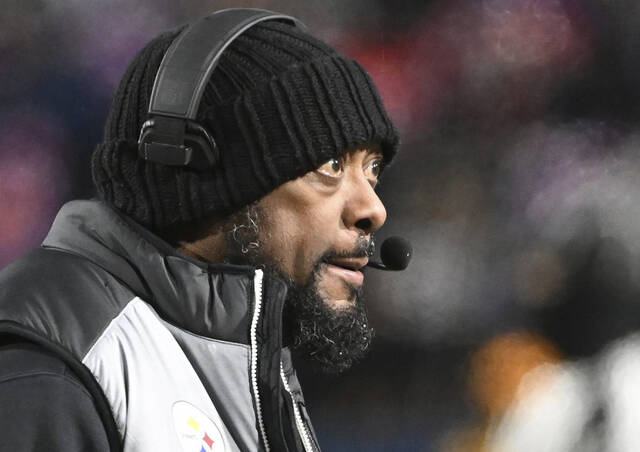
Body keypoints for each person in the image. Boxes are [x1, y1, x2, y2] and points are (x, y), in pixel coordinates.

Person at [0, 9, 399, 452]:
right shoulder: (45, 374)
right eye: (331, 165)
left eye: (373, 168)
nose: (373, 209)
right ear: (203, 175)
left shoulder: (244, 353)